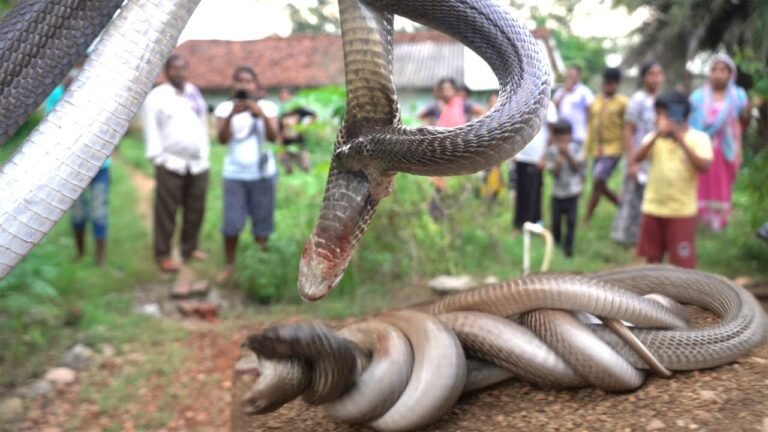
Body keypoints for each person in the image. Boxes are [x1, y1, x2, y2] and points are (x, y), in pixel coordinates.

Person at [143, 54, 210, 273]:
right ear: (166, 71)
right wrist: (158, 158)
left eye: (183, 68)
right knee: (166, 212)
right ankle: (163, 254)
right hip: (170, 163)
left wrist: (205, 155)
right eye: (174, 68)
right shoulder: (157, 96)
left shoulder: (193, 92)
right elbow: (151, 129)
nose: (179, 72)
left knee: (195, 210)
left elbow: (202, 124)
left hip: (198, 164)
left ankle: (189, 249)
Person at [214, 66, 279, 282]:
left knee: (262, 222)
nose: (244, 85)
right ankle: (229, 266)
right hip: (234, 174)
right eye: (239, 81)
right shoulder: (225, 108)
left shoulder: (267, 107)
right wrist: (234, 112)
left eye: (248, 81)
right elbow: (221, 139)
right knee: (232, 223)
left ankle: (261, 265)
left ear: (256, 85)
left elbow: (273, 137)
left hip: (263, 174)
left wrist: (259, 114)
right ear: (233, 85)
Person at [635, 91, 713, 268]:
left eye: (662, 114)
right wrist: (656, 135)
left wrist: (679, 139)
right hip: (653, 207)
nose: (659, 119)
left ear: (679, 115)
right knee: (652, 259)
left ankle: (682, 295)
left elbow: (704, 166)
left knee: (682, 263)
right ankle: (653, 293)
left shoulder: (698, 139)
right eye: (658, 115)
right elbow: (638, 158)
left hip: (681, 210)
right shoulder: (653, 139)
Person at [46, 61, 111, 266]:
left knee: (98, 210)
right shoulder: (57, 94)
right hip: (71, 167)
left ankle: (100, 258)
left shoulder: (98, 92)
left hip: (99, 166)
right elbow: (51, 127)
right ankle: (80, 253)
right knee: (78, 212)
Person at [689, 54, 750, 231]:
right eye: (714, 69)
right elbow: (691, 123)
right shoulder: (697, 97)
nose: (718, 74)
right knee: (701, 182)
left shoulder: (738, 96)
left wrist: (738, 149)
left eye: (723, 70)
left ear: (731, 74)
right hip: (701, 148)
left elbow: (740, 123)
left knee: (722, 184)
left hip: (726, 148)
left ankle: (718, 222)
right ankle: (699, 221)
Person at [611, 61, 664, 246]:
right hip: (637, 154)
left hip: (653, 158)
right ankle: (625, 236)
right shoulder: (637, 100)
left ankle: (645, 237)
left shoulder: (661, 101)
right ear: (644, 78)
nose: (656, 78)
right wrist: (632, 161)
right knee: (631, 196)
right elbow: (628, 130)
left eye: (658, 74)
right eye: (652, 74)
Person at [417, 78, 484, 219]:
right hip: (439, 154)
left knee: (457, 186)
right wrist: (430, 126)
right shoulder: (436, 107)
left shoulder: (464, 104)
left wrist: (472, 131)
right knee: (438, 186)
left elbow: (482, 113)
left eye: (449, 89)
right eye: (443, 89)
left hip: (459, 153)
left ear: (455, 91)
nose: (446, 92)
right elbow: (420, 116)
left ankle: (456, 218)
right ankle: (437, 218)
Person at [583, 67, 627, 224]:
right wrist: (586, 151)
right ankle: (623, 206)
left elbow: (628, 128)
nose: (609, 86)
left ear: (617, 84)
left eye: (613, 83)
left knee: (598, 180)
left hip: (614, 148)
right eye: (607, 83)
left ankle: (587, 216)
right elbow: (590, 127)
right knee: (598, 184)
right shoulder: (595, 101)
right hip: (597, 148)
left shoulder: (623, 103)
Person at [512, 100, 557, 231]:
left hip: (537, 158)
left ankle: (534, 224)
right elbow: (516, 128)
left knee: (534, 193)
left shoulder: (548, 104)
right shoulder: (523, 101)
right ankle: (519, 225)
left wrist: (545, 157)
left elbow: (552, 134)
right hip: (522, 155)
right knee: (521, 193)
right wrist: (514, 151)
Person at [544, 120, 584, 257]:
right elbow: (553, 174)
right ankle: (556, 245)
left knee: (571, 222)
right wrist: (559, 161)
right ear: (555, 137)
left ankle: (569, 249)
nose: (562, 140)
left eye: (565, 136)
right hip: (557, 193)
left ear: (570, 136)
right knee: (556, 222)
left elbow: (577, 169)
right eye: (559, 137)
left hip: (572, 192)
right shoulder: (551, 151)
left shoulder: (576, 148)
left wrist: (567, 154)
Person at [553, 65, 594, 146]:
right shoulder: (560, 91)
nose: (569, 78)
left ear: (578, 77)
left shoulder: (584, 92)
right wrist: (565, 91)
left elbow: (591, 110)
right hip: (561, 135)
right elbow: (554, 109)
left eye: (572, 75)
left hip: (578, 135)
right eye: (568, 75)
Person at [278, 87, 315, 174]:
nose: (282, 97)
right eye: (281, 95)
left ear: (291, 96)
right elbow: (279, 132)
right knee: (288, 170)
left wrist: (304, 126)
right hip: (286, 145)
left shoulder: (298, 109)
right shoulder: (281, 112)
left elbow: (313, 115)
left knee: (306, 168)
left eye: (284, 95)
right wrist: (280, 150)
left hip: (299, 144)